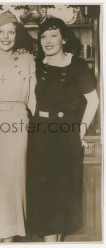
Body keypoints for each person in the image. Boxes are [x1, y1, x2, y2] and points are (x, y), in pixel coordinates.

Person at [27, 17, 99, 242]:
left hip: (66, 137)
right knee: (45, 198)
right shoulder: (37, 65)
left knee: (61, 198)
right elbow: (30, 100)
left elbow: (93, 100)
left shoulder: (78, 65)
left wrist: (79, 130)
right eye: (43, 36)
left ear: (64, 39)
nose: (48, 41)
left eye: (53, 35)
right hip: (40, 138)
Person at [0, 11, 36, 243]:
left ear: (17, 36)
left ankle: (9, 237)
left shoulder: (28, 60)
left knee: (13, 181)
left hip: (18, 122)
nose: (6, 37)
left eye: (11, 32)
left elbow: (32, 99)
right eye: (1, 32)